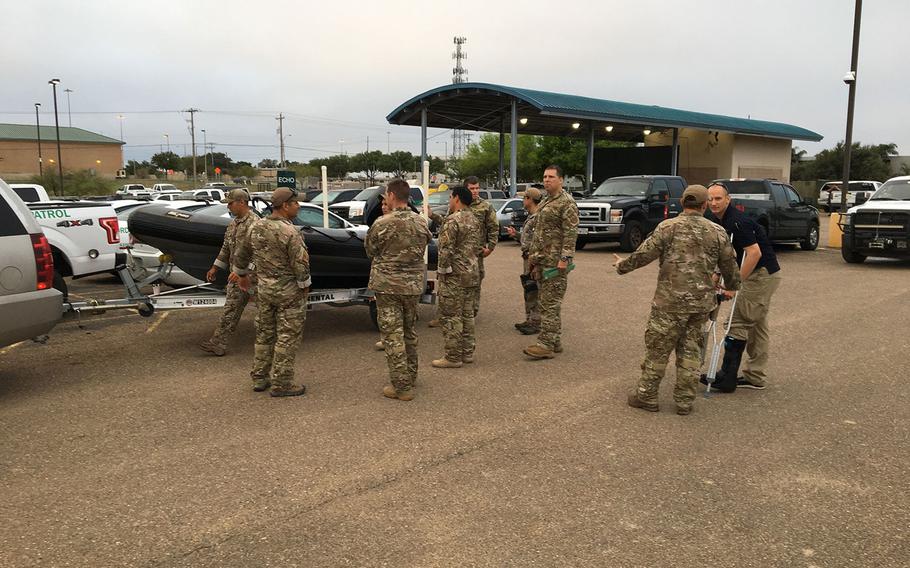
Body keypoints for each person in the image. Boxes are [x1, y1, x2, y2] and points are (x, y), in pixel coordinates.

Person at [615, 185, 741, 415]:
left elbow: (644, 254)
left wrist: (621, 266)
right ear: (704, 206)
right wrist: (733, 286)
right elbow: (730, 267)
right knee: (691, 351)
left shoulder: (667, 227)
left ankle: (647, 396)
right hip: (700, 305)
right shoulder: (717, 231)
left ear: (682, 203)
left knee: (657, 350)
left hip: (668, 303)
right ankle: (684, 401)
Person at [704, 182, 783, 392]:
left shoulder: (737, 221)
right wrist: (716, 274)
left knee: (737, 322)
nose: (714, 202)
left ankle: (726, 377)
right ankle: (755, 376)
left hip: (761, 274)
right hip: (762, 273)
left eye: (718, 198)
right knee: (756, 326)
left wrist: (734, 284)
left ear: (728, 199)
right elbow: (728, 253)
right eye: (710, 199)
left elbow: (754, 253)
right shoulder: (717, 221)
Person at [234, 187, 311, 397]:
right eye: (295, 203)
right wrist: (305, 286)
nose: (299, 206)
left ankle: (260, 377)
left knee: (264, 334)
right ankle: (282, 383)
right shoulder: (291, 232)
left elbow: (241, 254)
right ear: (285, 206)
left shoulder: (256, 227)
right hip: (289, 294)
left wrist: (241, 275)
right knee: (287, 337)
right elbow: (301, 266)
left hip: (265, 291)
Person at [365, 179, 432, 401]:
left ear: (392, 195)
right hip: (412, 286)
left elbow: (370, 250)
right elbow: (425, 243)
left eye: (386, 195)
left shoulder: (382, 223)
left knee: (393, 335)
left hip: (388, 286)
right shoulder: (421, 222)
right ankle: (410, 376)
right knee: (409, 331)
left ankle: (401, 386)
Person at [523, 165, 579, 359]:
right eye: (545, 177)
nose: (547, 180)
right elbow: (540, 232)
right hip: (542, 260)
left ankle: (545, 344)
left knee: (550, 304)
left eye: (551, 177)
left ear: (561, 180)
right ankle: (555, 341)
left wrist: (564, 259)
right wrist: (533, 259)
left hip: (555, 263)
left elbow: (570, 234)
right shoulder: (546, 200)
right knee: (548, 302)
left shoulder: (566, 203)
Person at [199, 189, 257, 357]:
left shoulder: (255, 224)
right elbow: (226, 248)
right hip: (236, 276)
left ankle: (274, 343)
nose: (228, 207)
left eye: (230, 204)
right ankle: (217, 343)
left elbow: (259, 253)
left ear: (241, 202)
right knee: (230, 310)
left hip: (255, 278)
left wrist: (244, 272)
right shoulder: (233, 224)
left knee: (267, 312)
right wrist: (215, 267)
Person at [432, 185, 481, 368]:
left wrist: (442, 273)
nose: (449, 200)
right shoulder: (474, 219)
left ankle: (453, 357)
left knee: (451, 316)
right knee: (467, 315)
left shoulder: (453, 221)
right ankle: (467, 353)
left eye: (451, 197)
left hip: (454, 276)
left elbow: (446, 250)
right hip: (471, 273)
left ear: (457, 198)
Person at [506, 186, 543, 335]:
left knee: (534, 290)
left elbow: (539, 241)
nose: (522, 201)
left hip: (534, 259)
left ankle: (535, 322)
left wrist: (535, 262)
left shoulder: (538, 217)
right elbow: (528, 239)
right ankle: (530, 319)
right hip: (528, 258)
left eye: (524, 198)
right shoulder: (532, 216)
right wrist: (516, 235)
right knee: (529, 288)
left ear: (529, 199)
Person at [466, 176, 499, 317]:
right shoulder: (459, 204)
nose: (475, 191)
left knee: (476, 279)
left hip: (477, 252)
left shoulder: (485, 206)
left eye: (477, 188)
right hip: (460, 252)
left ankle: (473, 310)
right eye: (472, 188)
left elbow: (494, 227)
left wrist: (490, 247)